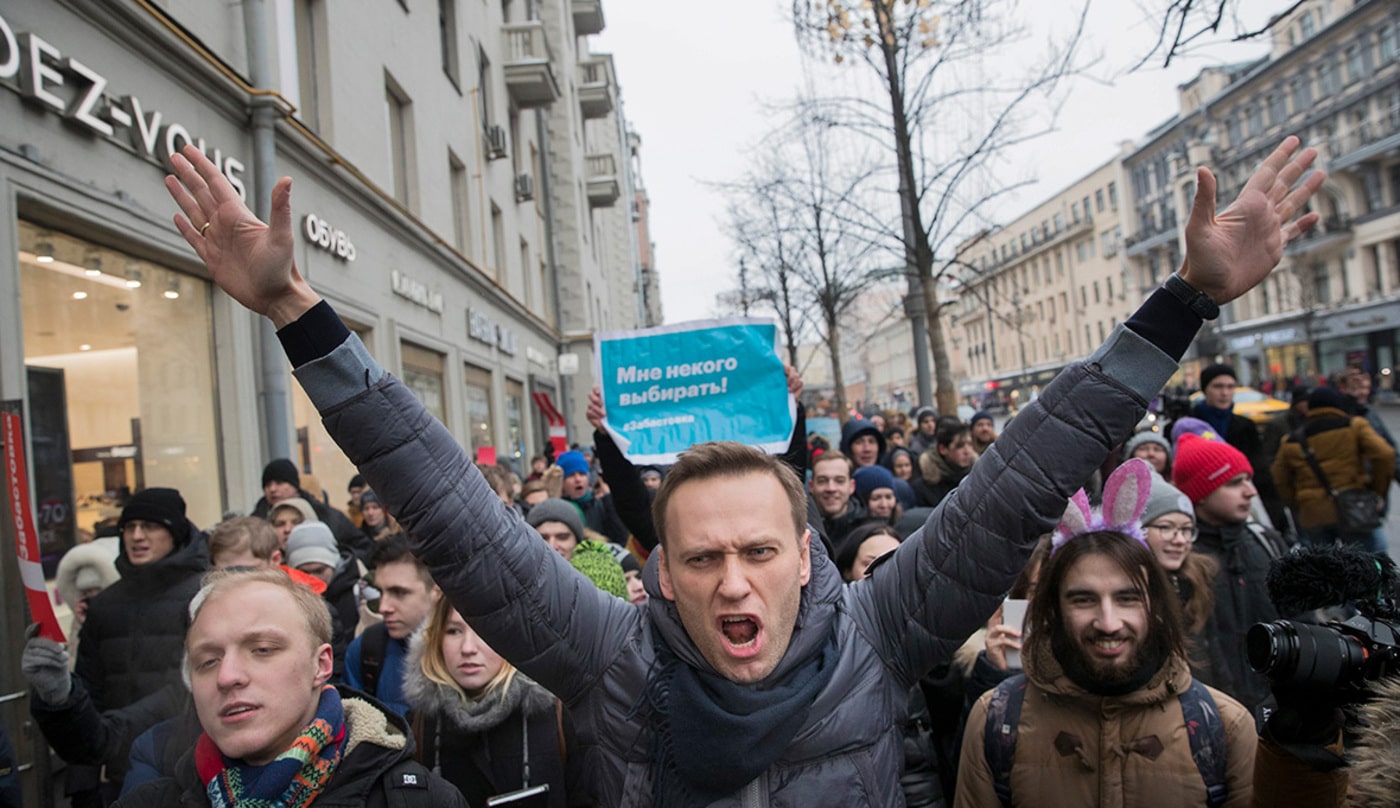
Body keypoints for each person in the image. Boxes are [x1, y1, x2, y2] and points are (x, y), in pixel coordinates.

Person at [164, 134, 1323, 805]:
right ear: (655, 571)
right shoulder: (604, 652)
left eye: (758, 551)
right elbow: (446, 507)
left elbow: (1025, 472)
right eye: (701, 554)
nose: (732, 582)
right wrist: (299, 312)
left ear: (802, 558)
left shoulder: (878, 631)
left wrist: (1182, 303)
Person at [956, 506, 1256, 807]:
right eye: (1083, 600)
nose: (1108, 623)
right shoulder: (995, 722)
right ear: (1052, 610)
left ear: (1157, 606)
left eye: (1128, 599)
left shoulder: (1226, 727)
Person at [112, 568, 466, 808]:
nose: (227, 676)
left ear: (321, 665)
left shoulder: (417, 800)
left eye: (262, 650)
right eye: (207, 661)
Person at [26, 488, 208, 802]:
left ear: (175, 532)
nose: (137, 536)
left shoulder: (203, 597)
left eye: (150, 526)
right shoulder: (105, 605)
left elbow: (188, 690)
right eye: (130, 527)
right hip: (116, 770)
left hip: (189, 765)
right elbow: (90, 690)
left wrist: (109, 734)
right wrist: (60, 696)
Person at [404, 598, 579, 806]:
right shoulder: (420, 725)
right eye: (453, 631)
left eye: (484, 629)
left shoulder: (556, 715)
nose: (468, 648)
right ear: (436, 639)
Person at [1172, 433, 1288, 725]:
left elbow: (1303, 619)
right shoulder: (1180, 562)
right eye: (1234, 483)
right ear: (1200, 493)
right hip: (1217, 716)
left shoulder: (1268, 544)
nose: (1250, 491)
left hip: (1281, 712)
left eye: (1248, 480)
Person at [1272, 385, 1394, 553]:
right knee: (1368, 563)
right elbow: (1385, 454)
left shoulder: (1291, 441)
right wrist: (1377, 491)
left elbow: (1279, 478)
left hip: (1313, 514)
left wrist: (1299, 503)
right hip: (1354, 508)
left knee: (1325, 570)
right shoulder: (1354, 427)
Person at [1138, 474, 1222, 684]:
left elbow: (1214, 653)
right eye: (1166, 527)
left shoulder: (1198, 579)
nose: (1180, 540)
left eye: (1186, 530)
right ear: (1139, 531)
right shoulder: (1129, 589)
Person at [344, 536, 440, 717]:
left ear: (436, 591)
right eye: (381, 592)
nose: (383, 607)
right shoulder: (366, 650)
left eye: (399, 592)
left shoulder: (468, 651)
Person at [1191, 364, 1289, 534]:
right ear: (1205, 389)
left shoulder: (1244, 426)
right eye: (1218, 386)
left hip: (1241, 507)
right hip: (1200, 510)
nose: (1225, 393)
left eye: (1230, 387)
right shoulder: (1189, 425)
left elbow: (1260, 472)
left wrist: (1276, 516)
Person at [253, 458, 373, 563]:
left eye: (279, 483)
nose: (272, 489)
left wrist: (336, 561)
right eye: (267, 485)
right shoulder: (255, 524)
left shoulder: (328, 516)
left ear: (294, 486)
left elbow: (364, 548)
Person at [556, 449, 630, 545]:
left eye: (582, 474)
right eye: (571, 475)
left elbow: (621, 538)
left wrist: (609, 500)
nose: (578, 479)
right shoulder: (559, 510)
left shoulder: (602, 505)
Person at [809, 450, 867, 551]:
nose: (831, 488)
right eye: (822, 481)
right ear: (811, 486)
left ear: (851, 486)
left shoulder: (866, 533)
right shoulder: (799, 529)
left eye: (839, 481)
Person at [910, 421, 976, 509]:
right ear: (943, 449)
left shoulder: (978, 478)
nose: (967, 451)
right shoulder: (924, 486)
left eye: (970, 444)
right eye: (960, 446)